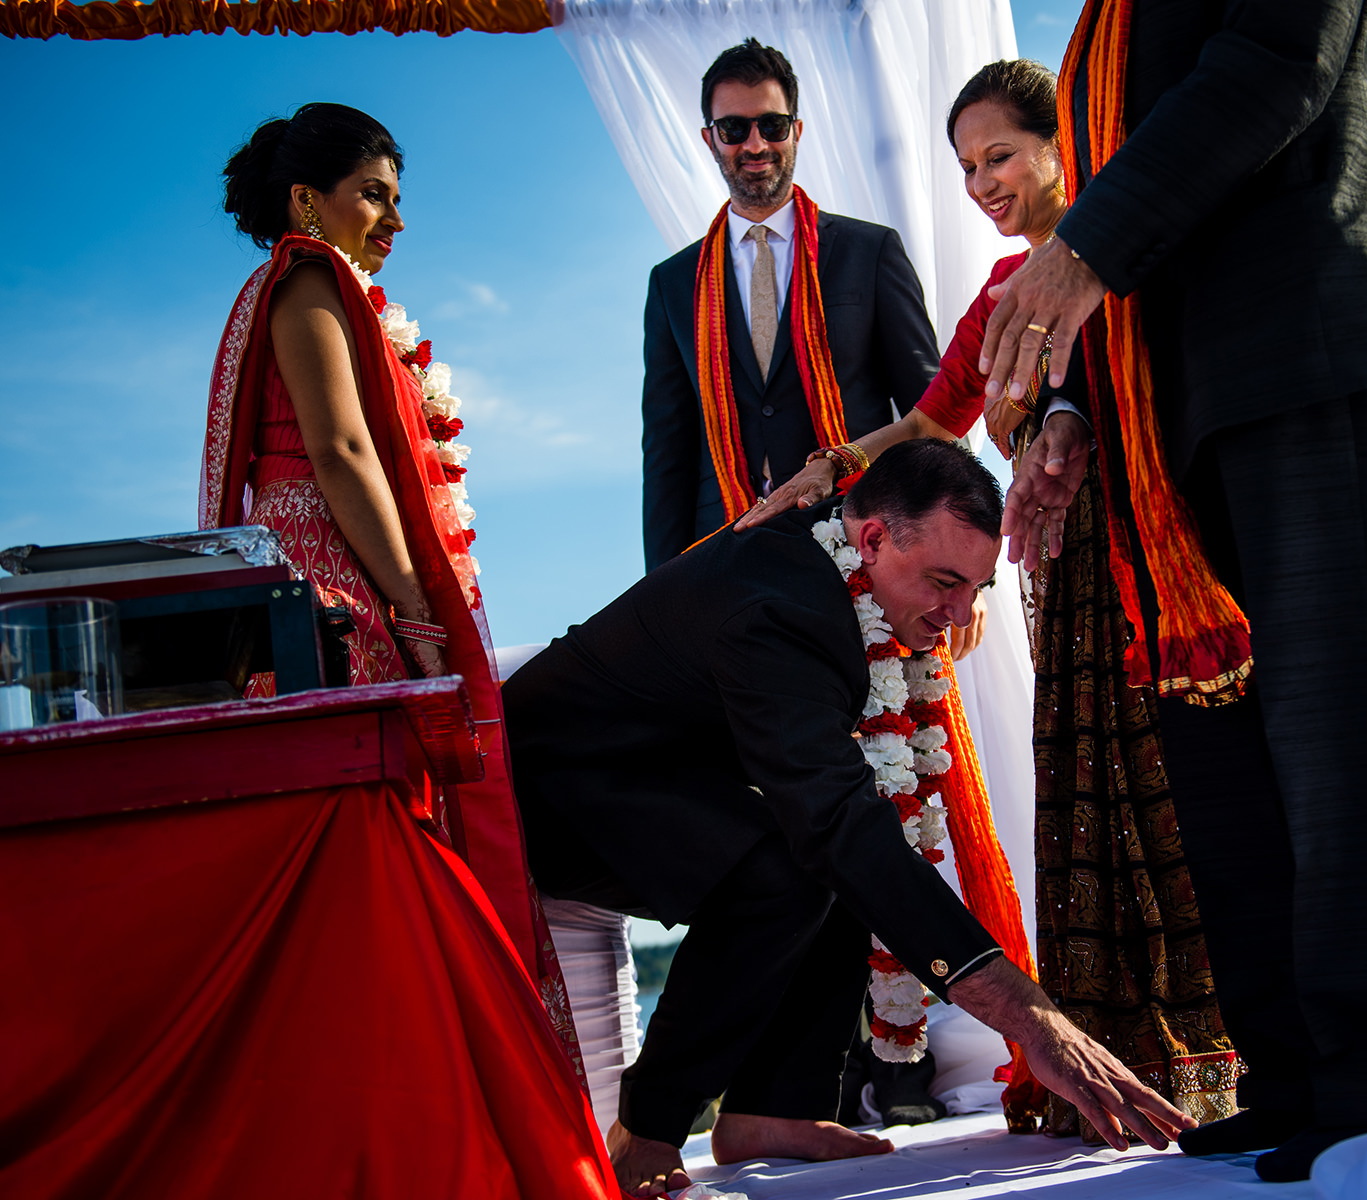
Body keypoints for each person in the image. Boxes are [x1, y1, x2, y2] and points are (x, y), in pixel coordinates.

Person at [981, 1, 1367, 1182]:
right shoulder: (1099, 28)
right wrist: (1071, 416)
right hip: (1161, 411)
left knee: (1344, 738)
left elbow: (1271, 68)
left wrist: (1077, 248)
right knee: (1221, 762)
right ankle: (1293, 1070)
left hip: (1292, 349)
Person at [739, 58, 1242, 1134]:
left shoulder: (1136, 256)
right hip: (1063, 575)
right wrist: (832, 467)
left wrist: (1074, 420)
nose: (983, 184)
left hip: (1161, 552)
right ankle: (1117, 1057)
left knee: (1185, 787)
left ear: (1064, 150)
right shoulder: (1002, 296)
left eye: (1001, 157)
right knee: (1089, 792)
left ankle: (1237, 1051)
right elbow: (930, 425)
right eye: (968, 167)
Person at [505, 439, 1194, 1198]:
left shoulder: (832, 569)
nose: (960, 615)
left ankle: (770, 1110)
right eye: (943, 582)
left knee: (824, 853)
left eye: (975, 588)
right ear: (870, 538)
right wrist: (1031, 1021)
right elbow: (840, 827)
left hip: (658, 769)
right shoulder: (788, 609)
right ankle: (648, 1122)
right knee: (791, 867)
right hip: (551, 787)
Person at [202, 103, 581, 1075]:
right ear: (306, 200)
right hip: (332, 585)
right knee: (391, 833)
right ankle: (421, 1078)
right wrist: (415, 608)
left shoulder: (300, 285)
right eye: (373, 194)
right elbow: (340, 450)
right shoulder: (310, 282)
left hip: (315, 575)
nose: (394, 220)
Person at [640, 37, 943, 573]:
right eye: (735, 128)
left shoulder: (869, 252)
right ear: (710, 139)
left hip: (863, 539)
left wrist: (946, 553)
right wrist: (660, 596)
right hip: (724, 555)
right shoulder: (672, 283)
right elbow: (667, 454)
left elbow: (934, 410)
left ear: (796, 131)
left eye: (772, 126)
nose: (755, 144)